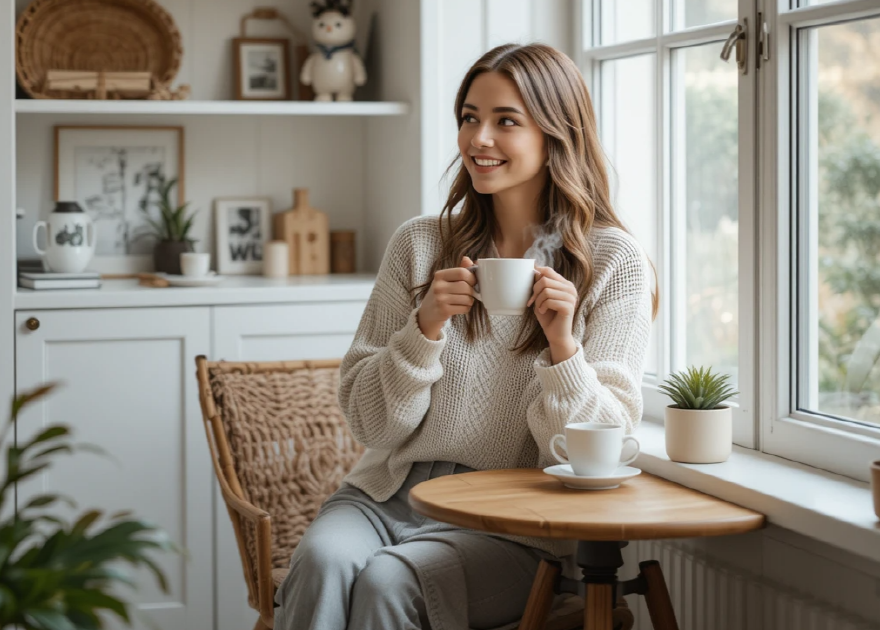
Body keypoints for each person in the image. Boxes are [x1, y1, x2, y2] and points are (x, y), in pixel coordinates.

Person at [274, 42, 657, 630]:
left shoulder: (612, 262)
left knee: (389, 581)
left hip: (512, 525)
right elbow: (370, 424)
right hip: (388, 494)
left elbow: (595, 453)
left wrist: (563, 351)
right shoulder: (420, 243)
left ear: (557, 134)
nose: (478, 139)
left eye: (505, 121)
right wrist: (422, 329)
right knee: (321, 562)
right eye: (469, 118)